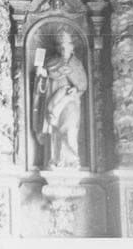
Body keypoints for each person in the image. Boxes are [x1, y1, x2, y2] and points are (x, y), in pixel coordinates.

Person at [32, 29, 87, 168]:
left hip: (70, 101)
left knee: (70, 128)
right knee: (54, 130)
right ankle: (55, 160)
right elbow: (42, 87)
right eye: (60, 46)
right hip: (53, 100)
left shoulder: (76, 64)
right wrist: (41, 75)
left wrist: (76, 89)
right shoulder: (51, 62)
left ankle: (72, 159)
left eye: (66, 45)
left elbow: (83, 84)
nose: (63, 49)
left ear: (72, 47)